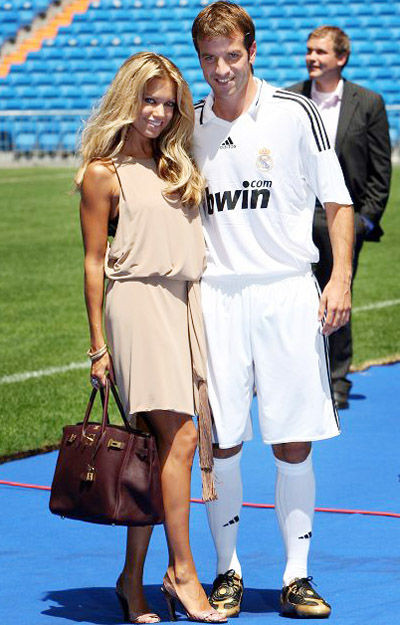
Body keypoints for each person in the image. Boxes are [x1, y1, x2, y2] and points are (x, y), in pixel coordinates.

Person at [191, 2, 354, 619]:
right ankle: (226, 572)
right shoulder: (190, 123)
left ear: (252, 52)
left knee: (292, 441)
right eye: (209, 58)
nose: (221, 69)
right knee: (221, 442)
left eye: (232, 55)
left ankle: (296, 576)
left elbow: (337, 202)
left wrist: (339, 278)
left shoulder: (295, 113)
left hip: (287, 292)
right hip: (217, 296)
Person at [77, 51, 226, 624]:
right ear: (128, 99)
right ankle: (183, 571)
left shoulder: (176, 164)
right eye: (148, 100)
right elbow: (93, 262)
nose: (158, 112)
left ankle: (130, 582)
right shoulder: (103, 173)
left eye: (167, 103)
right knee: (181, 437)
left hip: (183, 305)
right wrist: (98, 347)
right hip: (136, 304)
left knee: (151, 448)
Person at [288, 25, 392, 409]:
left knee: (337, 296)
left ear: (341, 58)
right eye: (309, 50)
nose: (312, 57)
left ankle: (336, 381)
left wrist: (365, 221)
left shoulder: (369, 103)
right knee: (295, 298)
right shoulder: (291, 100)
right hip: (298, 217)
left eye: (321, 52)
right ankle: (299, 376)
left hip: (344, 219)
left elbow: (381, 171)